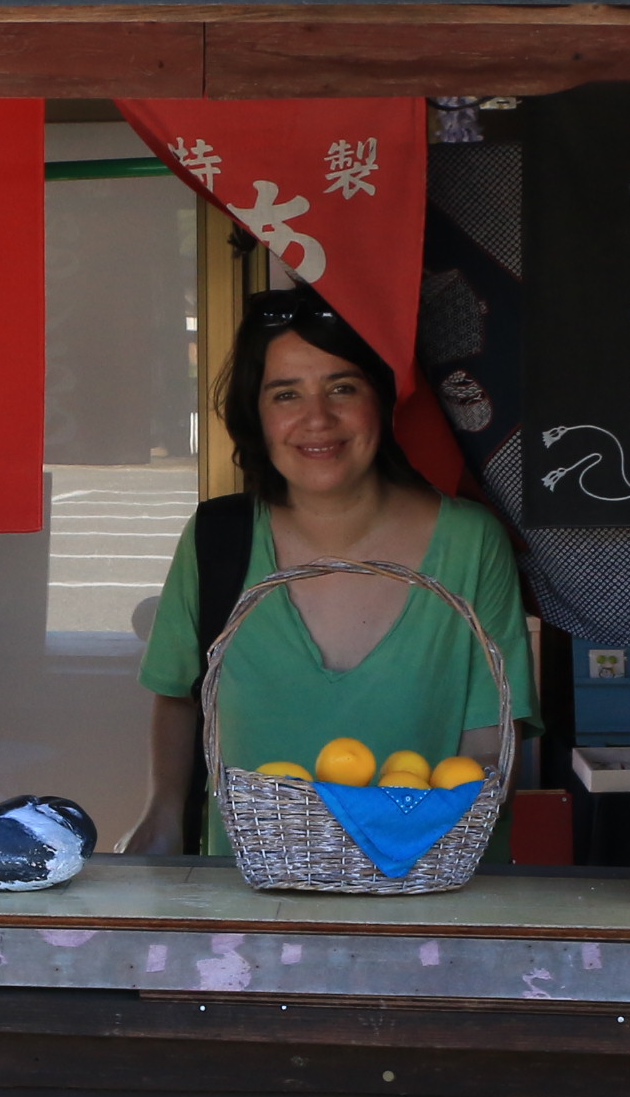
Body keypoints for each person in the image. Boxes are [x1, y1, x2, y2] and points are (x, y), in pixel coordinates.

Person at [127, 288, 523, 855]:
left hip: (425, 889)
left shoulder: (470, 542)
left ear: (382, 399)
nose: (317, 419)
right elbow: (179, 697)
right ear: (256, 415)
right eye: (286, 394)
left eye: (343, 388)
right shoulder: (217, 538)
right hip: (244, 892)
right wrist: (162, 817)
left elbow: (489, 746)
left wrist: (404, 846)